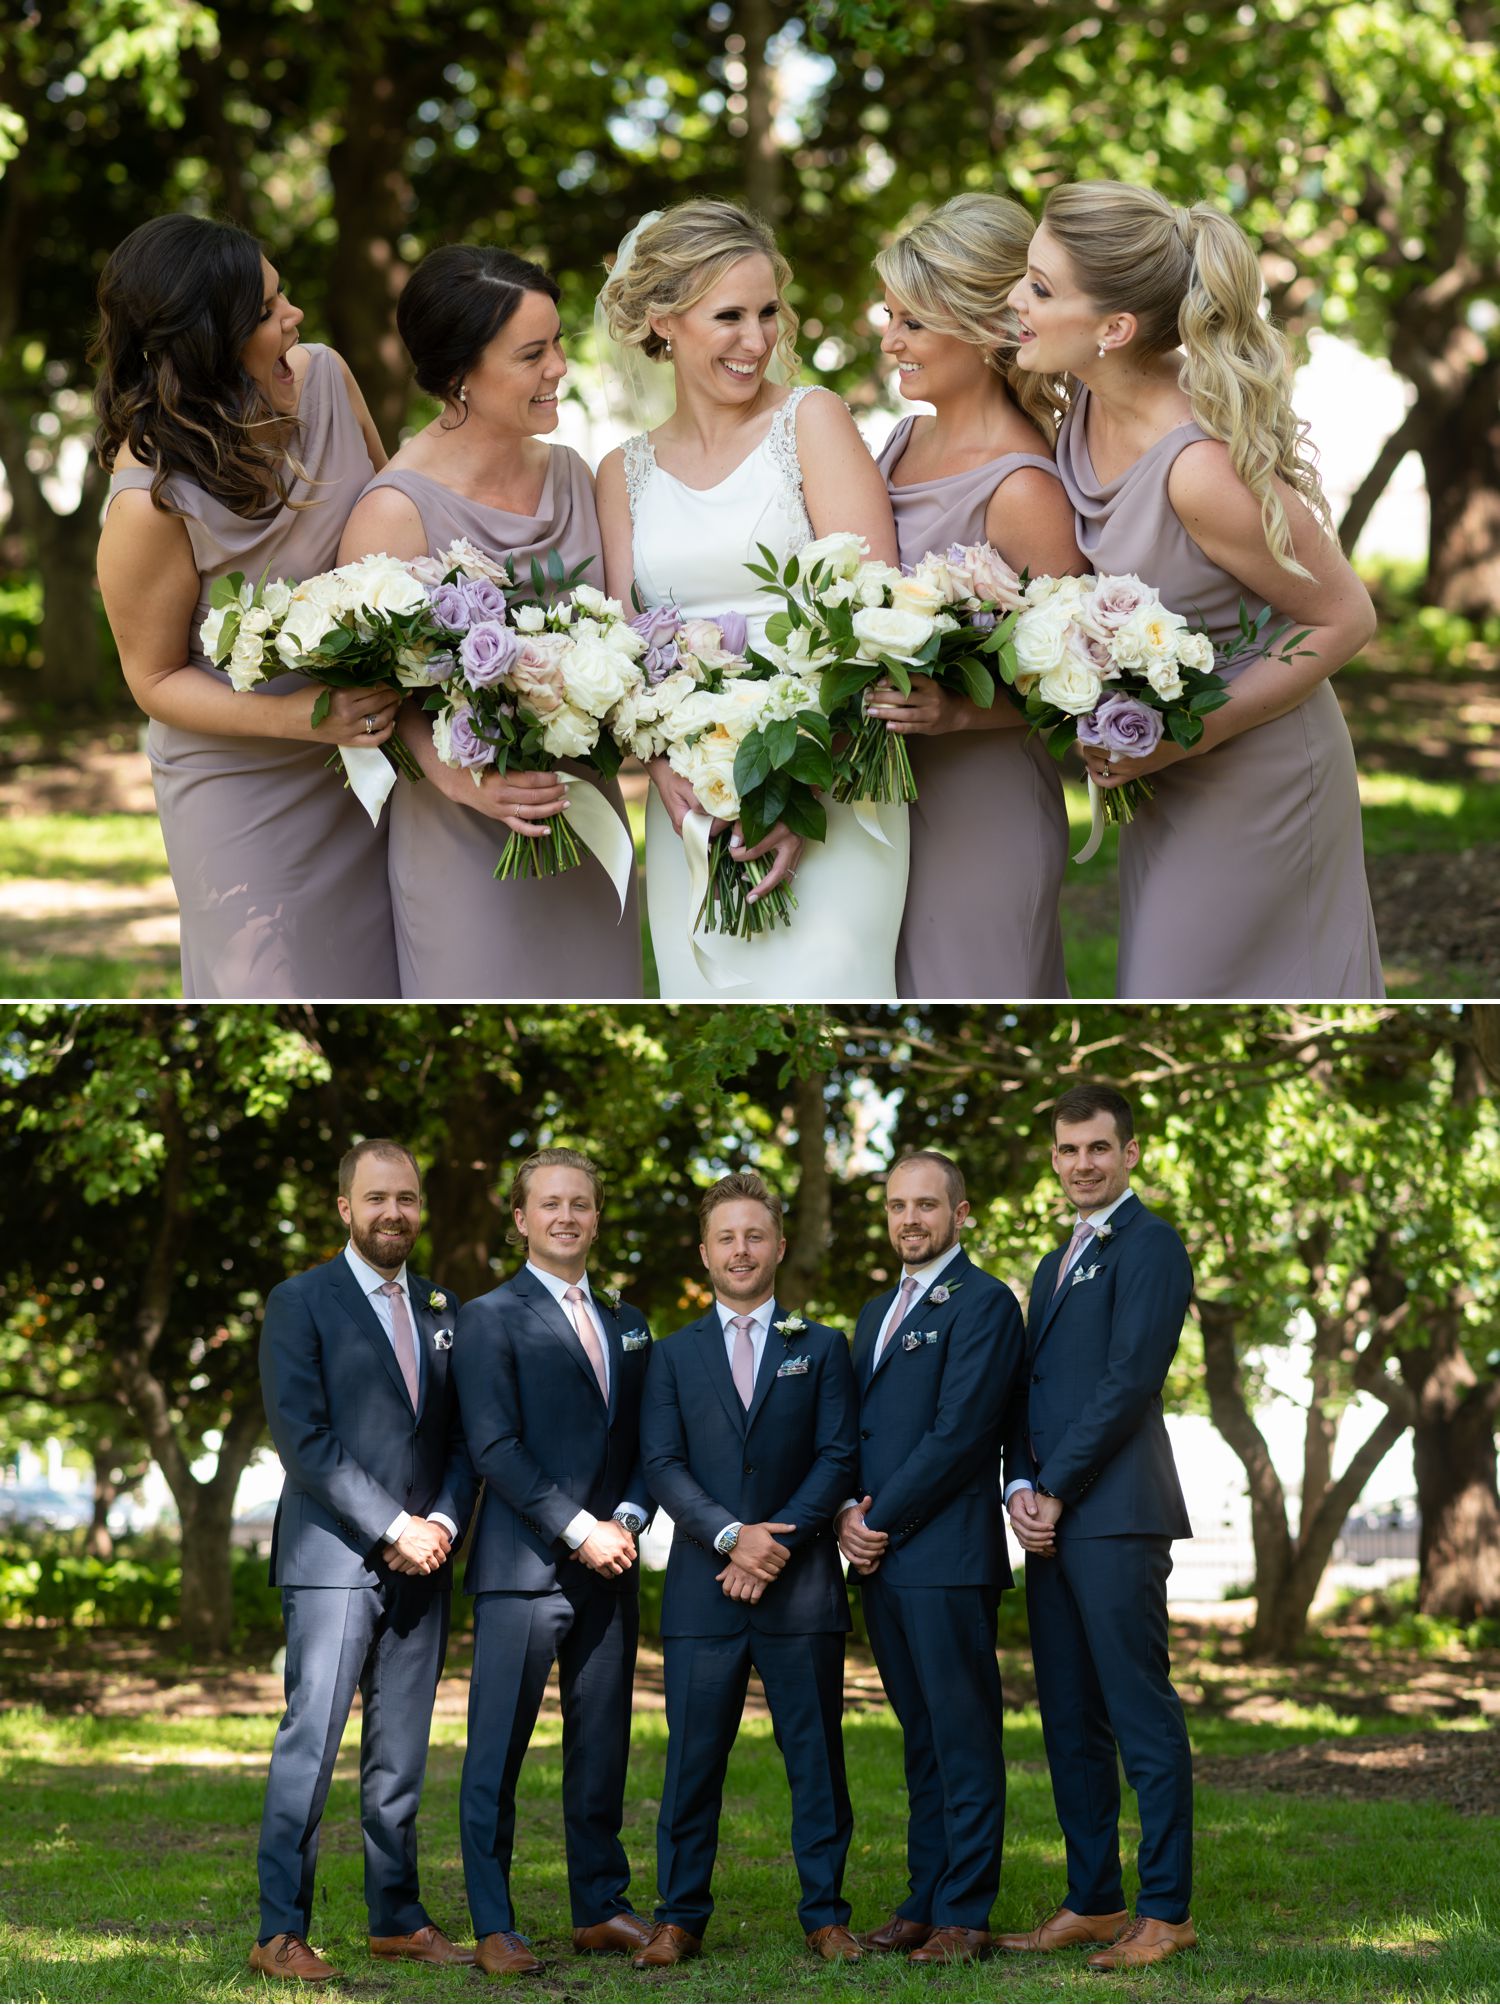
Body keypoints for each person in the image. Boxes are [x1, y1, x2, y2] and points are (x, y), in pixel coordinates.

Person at [1010, 180, 1382, 997]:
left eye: (1039, 288)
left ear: (1114, 329)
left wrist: (1195, 735)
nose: (1016, 301)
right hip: (1169, 771)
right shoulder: (1083, 397)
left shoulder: (1199, 469)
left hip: (1262, 770)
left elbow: (1346, 617)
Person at [595, 199, 909, 999]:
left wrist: (795, 790)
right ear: (663, 323)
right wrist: (664, 764)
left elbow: (876, 619)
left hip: (828, 787)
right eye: (728, 315)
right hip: (691, 809)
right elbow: (623, 648)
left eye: (768, 311)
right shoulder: (621, 471)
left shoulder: (813, 420)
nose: (759, 339)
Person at [94, 214, 399, 998]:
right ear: (205, 344)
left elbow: (399, 528)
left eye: (282, 293)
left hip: (373, 752)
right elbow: (154, 677)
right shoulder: (149, 501)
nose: (293, 316)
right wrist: (307, 720)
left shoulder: (325, 376)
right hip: (243, 789)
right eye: (265, 312)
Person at [337, 246, 642, 999]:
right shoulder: (394, 511)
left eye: (559, 343)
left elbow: (626, 626)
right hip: (463, 828)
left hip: (585, 811)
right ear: (457, 376)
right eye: (532, 353)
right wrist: (467, 784)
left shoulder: (573, 473)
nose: (560, 368)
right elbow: (375, 701)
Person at [253, 1138, 475, 1982]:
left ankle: (396, 1917)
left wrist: (444, 1519)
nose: (395, 1212)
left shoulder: (445, 1308)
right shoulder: (300, 1300)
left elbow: (458, 1436)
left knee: (402, 1752)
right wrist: (392, 1524)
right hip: (333, 1555)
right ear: (344, 1206)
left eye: (408, 1198)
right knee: (310, 1744)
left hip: (428, 1557)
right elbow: (303, 1438)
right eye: (377, 1197)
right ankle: (280, 1929)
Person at [635, 1172, 861, 1967]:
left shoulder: (822, 1346)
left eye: (754, 1235)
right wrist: (734, 1536)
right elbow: (661, 1463)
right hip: (705, 1588)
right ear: (705, 1252)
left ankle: (826, 1913)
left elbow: (839, 1455)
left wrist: (777, 1543)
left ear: (778, 1245)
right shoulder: (670, 1354)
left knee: (816, 1760)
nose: (741, 1248)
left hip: (801, 1589)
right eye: (726, 1237)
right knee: (693, 1759)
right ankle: (678, 1915)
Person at [998, 1083, 1196, 1970]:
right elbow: (1031, 1391)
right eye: (1069, 1149)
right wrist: (1020, 1486)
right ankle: (1093, 1897)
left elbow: (1128, 1380)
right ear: (1054, 1157)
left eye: (1098, 1148)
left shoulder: (1151, 1246)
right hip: (1049, 1521)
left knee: (1138, 1710)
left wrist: (1060, 1485)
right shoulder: (1052, 1263)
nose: (1083, 1163)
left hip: (1116, 1516)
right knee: (1071, 1717)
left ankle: (1167, 1909)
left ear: (1131, 1153)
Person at [867, 195, 1084, 998]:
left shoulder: (1023, 485)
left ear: (986, 327)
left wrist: (960, 710)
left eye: (913, 323)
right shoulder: (901, 441)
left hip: (983, 806)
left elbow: (1079, 681)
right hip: (888, 795)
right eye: (890, 315)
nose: (891, 340)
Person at [450, 1148, 655, 1976]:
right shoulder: (488, 1316)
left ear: (597, 1216)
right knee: (496, 1750)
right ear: (522, 1219)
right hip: (522, 1568)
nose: (567, 1215)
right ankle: (494, 1921)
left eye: (581, 1203)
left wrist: (631, 1516)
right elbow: (494, 1446)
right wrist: (580, 1527)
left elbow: (647, 1437)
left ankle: (599, 1906)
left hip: (614, 1563)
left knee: (602, 1744)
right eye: (550, 1204)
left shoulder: (629, 1319)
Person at [838, 1150, 1026, 1964]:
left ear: (961, 1212)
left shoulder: (985, 1304)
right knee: (921, 1738)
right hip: (881, 1558)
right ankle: (923, 1897)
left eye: (925, 1205)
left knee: (964, 1735)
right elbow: (856, 1432)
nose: (909, 1219)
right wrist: (846, 1511)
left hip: (945, 1557)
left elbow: (961, 1434)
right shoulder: (875, 1310)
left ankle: (966, 1911)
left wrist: (877, 1517)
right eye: (896, 1206)